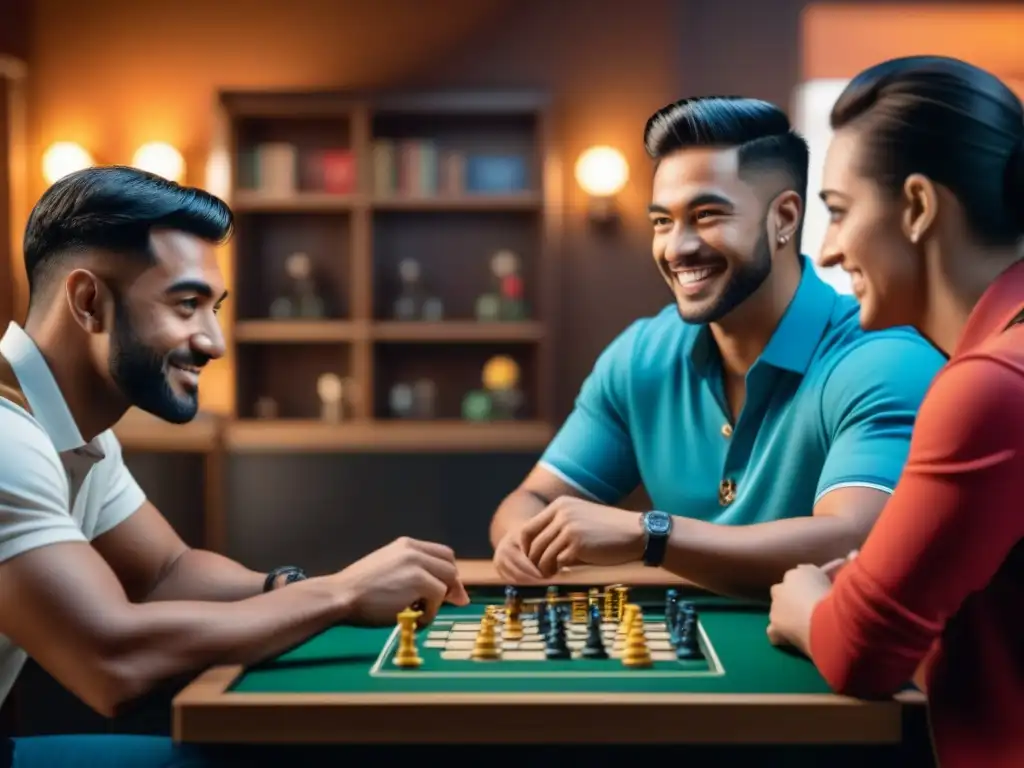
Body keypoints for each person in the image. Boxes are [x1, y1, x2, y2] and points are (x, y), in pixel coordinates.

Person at [0, 166, 469, 766]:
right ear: (89, 302)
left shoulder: (71, 429)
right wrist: (342, 595)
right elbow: (111, 661)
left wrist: (292, 588)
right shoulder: (9, 444)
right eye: (187, 305)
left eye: (213, 308)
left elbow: (167, 571)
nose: (214, 341)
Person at [490, 96, 948, 600]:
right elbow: (531, 499)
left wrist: (651, 534)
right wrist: (523, 538)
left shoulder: (882, 358)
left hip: (829, 667)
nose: (677, 247)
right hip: (684, 668)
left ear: (785, 218)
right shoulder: (640, 356)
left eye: (706, 215)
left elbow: (857, 539)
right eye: (662, 221)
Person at [766, 56, 1024, 768]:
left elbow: (864, 653)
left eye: (840, 212)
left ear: (917, 207)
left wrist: (807, 604)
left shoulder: (990, 386)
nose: (826, 250)